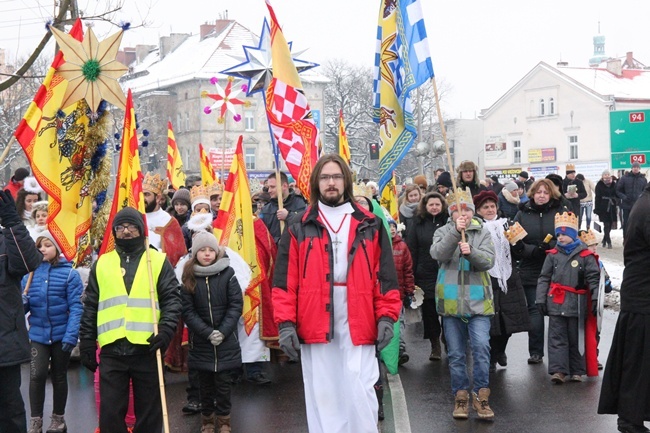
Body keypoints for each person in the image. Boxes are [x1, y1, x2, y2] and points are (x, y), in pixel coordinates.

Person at [272, 153, 401, 433]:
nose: (331, 183)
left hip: (360, 315)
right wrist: (285, 324)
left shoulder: (370, 223)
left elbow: (386, 278)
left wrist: (387, 317)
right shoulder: (299, 225)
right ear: (316, 182)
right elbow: (284, 282)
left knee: (360, 386)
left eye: (337, 176)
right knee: (324, 393)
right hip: (314, 316)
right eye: (325, 177)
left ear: (346, 181)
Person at [78, 207, 181, 433]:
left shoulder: (157, 260)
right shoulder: (102, 264)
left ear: (141, 229)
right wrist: (86, 341)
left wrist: (165, 331)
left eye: (131, 226)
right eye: (121, 227)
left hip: (147, 347)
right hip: (112, 349)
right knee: (110, 413)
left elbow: (172, 300)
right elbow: (91, 305)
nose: (126, 231)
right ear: (114, 231)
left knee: (149, 412)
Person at [430, 187, 496, 420]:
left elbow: (488, 261)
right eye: (457, 211)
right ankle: (460, 396)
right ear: (451, 214)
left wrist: (472, 252)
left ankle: (481, 395)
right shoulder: (442, 231)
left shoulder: (483, 232)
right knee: (456, 354)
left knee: (481, 348)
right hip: (451, 304)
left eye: (466, 210)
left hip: (479, 302)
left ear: (472, 212)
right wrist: (454, 235)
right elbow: (438, 253)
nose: (463, 214)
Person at [599, 180, 650, 433]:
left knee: (639, 362)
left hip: (641, 295)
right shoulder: (648, 207)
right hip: (643, 297)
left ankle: (633, 416)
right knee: (637, 363)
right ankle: (630, 419)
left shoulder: (644, 202)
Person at [181, 232, 243, 433]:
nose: (207, 254)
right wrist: (208, 333)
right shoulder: (189, 277)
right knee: (205, 386)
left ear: (216, 252)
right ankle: (207, 421)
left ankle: (224, 421)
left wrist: (223, 332)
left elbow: (235, 306)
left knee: (224, 386)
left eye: (210, 250)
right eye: (202, 250)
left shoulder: (228, 274)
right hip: (201, 342)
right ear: (195, 253)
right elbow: (188, 312)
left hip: (225, 342)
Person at [23, 231, 83, 433]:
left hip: (61, 334)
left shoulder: (69, 274)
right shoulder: (29, 275)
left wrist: (71, 335)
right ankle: (35, 420)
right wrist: (21, 302)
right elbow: (23, 307)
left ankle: (58, 419)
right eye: (39, 246)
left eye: (47, 245)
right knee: (37, 375)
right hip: (38, 335)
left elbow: (76, 307)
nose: (42, 249)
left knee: (59, 376)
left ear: (57, 248)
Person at [535, 212, 600, 384]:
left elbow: (594, 278)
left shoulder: (585, 256)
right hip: (557, 302)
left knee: (576, 338)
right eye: (558, 234)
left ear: (572, 235)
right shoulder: (553, 255)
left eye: (564, 234)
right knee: (557, 338)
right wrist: (540, 298)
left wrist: (594, 298)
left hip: (577, 304)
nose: (561, 238)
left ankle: (577, 370)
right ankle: (559, 370)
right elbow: (544, 277)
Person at [473, 190, 530, 373]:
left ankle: (501, 350)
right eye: (485, 207)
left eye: (492, 206)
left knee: (510, 319)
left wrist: (517, 244)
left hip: (509, 276)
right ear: (479, 210)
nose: (490, 210)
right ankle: (491, 355)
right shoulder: (476, 227)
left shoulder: (509, 224)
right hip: (487, 277)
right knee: (492, 320)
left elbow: (520, 251)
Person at [0, 189, 43, 433]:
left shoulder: (6, 240)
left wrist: (13, 223)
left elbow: (30, 262)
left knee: (10, 414)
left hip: (4, 347)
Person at [513, 178, 568, 365]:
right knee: (535, 310)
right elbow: (515, 240)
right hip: (530, 267)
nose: (542, 196)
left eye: (545, 192)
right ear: (532, 194)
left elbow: (568, 235)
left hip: (556, 267)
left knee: (557, 312)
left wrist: (549, 247)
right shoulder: (522, 214)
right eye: (538, 192)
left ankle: (560, 353)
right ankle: (536, 352)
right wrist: (532, 250)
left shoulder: (560, 210)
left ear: (551, 194)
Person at [405, 192, 448, 361]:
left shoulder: (448, 221)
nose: (435, 207)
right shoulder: (418, 222)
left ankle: (449, 339)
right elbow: (412, 249)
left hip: (445, 271)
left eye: (437, 204)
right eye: (431, 205)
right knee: (430, 312)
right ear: (426, 206)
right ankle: (434, 343)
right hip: (425, 272)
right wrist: (412, 274)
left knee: (448, 309)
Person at [387, 219, 414, 366]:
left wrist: (409, 291)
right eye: (389, 226)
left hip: (399, 293)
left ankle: (400, 349)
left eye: (394, 227)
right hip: (384, 292)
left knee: (400, 321)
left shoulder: (402, 246)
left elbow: (407, 271)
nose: (391, 230)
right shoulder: (379, 244)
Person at [259, 171, 307, 244]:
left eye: (272, 187)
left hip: (295, 251)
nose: (269, 191)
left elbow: (305, 224)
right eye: (268, 187)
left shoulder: (300, 203)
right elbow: (262, 235)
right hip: (275, 252)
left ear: (284, 186)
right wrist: (278, 241)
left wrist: (288, 216)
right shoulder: (266, 210)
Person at [616, 162, 647, 238]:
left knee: (638, 223)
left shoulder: (643, 179)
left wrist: (641, 199)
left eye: (637, 167)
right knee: (626, 223)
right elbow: (618, 190)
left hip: (638, 206)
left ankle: (636, 240)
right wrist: (624, 197)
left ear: (639, 168)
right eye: (634, 167)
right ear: (631, 168)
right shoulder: (624, 178)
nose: (635, 168)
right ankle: (626, 239)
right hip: (626, 205)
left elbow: (646, 191)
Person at [594, 170, 618, 249]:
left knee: (610, 224)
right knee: (606, 224)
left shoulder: (613, 184)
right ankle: (609, 241)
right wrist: (597, 208)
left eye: (608, 174)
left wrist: (616, 200)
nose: (607, 176)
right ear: (602, 176)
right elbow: (597, 197)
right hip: (603, 206)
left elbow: (616, 193)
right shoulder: (599, 184)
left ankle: (604, 239)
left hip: (612, 206)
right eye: (605, 174)